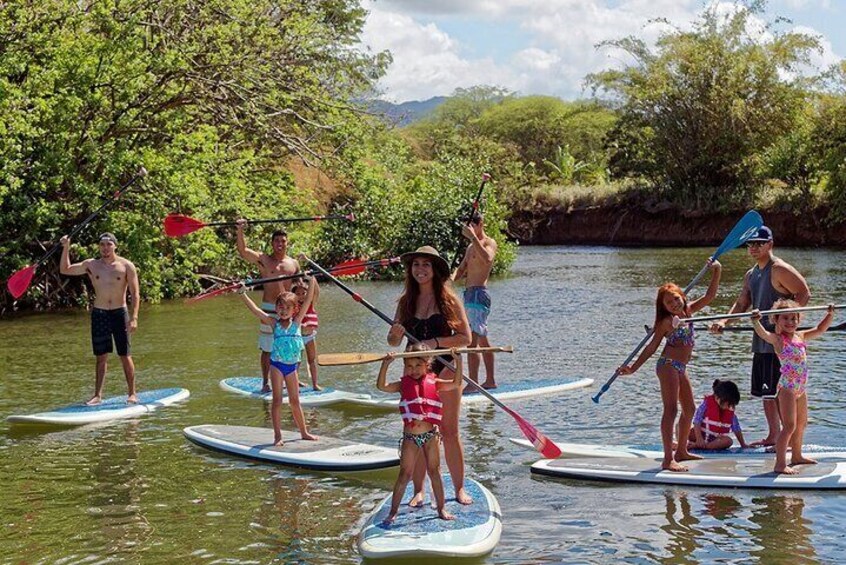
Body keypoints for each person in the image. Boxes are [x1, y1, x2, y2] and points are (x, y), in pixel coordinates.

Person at [709, 226, 810, 446]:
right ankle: (774, 436)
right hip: (761, 339)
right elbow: (742, 303)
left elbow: (804, 293)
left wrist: (788, 323)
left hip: (779, 344)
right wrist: (723, 321)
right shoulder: (751, 274)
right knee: (766, 392)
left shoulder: (780, 269)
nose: (754, 248)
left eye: (759, 243)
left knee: (782, 392)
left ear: (770, 244)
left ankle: (788, 440)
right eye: (750, 244)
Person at [387, 246, 472, 504]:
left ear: (435, 270)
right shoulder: (405, 302)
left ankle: (458, 489)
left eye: (426, 265)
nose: (420, 270)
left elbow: (465, 339)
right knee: (418, 431)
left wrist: (435, 342)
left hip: (446, 368)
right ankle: (419, 491)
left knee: (448, 432)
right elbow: (392, 342)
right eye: (416, 265)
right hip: (415, 374)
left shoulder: (449, 300)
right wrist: (395, 334)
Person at [618, 260, 721, 472]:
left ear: (682, 297)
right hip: (667, 366)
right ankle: (668, 459)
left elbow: (711, 296)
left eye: (675, 299)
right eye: (669, 303)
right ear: (663, 307)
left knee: (690, 408)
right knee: (671, 409)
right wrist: (634, 368)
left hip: (681, 367)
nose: (674, 304)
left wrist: (717, 270)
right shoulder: (665, 322)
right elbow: (651, 347)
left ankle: (681, 451)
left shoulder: (689, 310)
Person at [377, 344, 463, 523]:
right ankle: (393, 512)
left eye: (418, 365)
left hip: (430, 436)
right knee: (404, 474)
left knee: (435, 472)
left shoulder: (435, 383)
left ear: (427, 365)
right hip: (410, 437)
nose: (413, 370)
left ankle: (441, 509)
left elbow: (456, 383)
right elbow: (382, 386)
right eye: (409, 366)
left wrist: (458, 360)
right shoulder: (403, 385)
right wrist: (385, 364)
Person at [238, 263, 317, 446]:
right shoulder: (274, 324)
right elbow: (256, 311)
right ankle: (277, 435)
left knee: (295, 401)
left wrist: (311, 279)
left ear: (294, 310)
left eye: (286, 308)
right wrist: (243, 294)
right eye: (280, 307)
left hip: (291, 368)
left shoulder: (298, 322)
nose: (282, 310)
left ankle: (304, 432)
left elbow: (308, 299)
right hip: (277, 366)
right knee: (277, 401)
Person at [752, 301, 835, 474]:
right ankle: (780, 464)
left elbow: (820, 329)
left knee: (801, 424)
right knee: (789, 426)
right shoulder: (778, 339)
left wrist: (830, 314)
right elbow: (763, 334)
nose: (790, 322)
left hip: (801, 387)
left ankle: (797, 455)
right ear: (776, 320)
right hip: (788, 387)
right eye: (786, 318)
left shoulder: (801, 336)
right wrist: (755, 321)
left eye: (794, 318)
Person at [60, 233, 140, 405]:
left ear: (115, 246)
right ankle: (97, 395)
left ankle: (132, 393)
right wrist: (66, 247)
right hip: (100, 313)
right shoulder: (92, 265)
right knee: (101, 357)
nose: (105, 248)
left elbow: (135, 293)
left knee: (125, 355)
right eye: (102, 244)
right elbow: (65, 269)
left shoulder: (126, 266)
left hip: (120, 313)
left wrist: (134, 317)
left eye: (108, 244)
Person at [236, 220, 300, 394]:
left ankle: (293, 377)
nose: (280, 244)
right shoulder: (264, 260)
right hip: (269, 307)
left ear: (287, 243)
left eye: (283, 241)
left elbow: (299, 287)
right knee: (267, 348)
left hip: (288, 309)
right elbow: (243, 251)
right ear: (272, 244)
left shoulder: (293, 264)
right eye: (277, 241)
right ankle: (266, 382)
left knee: (291, 342)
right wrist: (240, 230)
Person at [452, 211, 498, 389]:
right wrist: (449, 278)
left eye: (472, 226)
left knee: (472, 341)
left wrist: (473, 238)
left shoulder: (488, 243)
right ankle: (491, 381)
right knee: (483, 341)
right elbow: (462, 269)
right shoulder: (470, 248)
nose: (469, 230)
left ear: (481, 224)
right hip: (469, 295)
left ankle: (472, 383)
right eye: (467, 228)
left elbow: (487, 259)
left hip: (479, 294)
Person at [688, 379, 749, 451]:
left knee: (728, 441)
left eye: (731, 404)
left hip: (715, 441)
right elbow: (697, 421)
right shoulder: (706, 404)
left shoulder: (730, 411)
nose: (729, 407)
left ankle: (700, 446)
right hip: (699, 436)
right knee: (680, 427)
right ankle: (691, 444)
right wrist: (699, 439)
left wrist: (743, 444)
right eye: (728, 404)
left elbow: (736, 429)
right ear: (717, 397)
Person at [292, 276, 321, 390]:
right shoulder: (294, 306)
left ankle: (315, 384)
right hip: (298, 337)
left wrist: (312, 278)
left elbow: (316, 291)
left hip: (310, 336)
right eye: (298, 294)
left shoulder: (311, 304)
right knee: (296, 361)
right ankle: (295, 382)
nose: (301, 296)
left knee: (312, 360)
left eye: (303, 293)